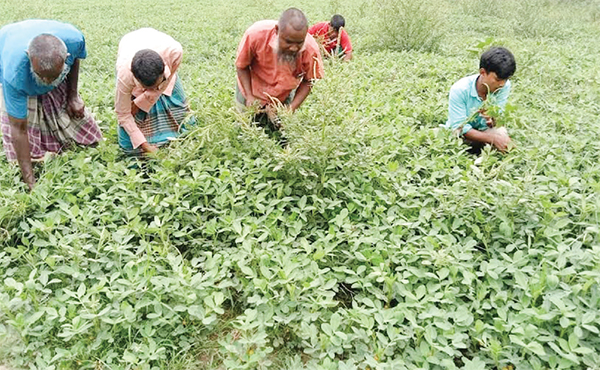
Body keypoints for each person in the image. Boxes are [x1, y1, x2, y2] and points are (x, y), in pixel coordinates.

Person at [0, 20, 103, 190]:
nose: (47, 82)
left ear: (66, 58)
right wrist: (31, 183)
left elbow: (76, 58)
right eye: (42, 77)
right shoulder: (14, 74)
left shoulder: (74, 40)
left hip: (49, 61)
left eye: (52, 77)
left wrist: (72, 95)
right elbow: (18, 128)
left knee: (70, 113)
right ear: (28, 57)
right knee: (24, 118)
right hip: (7, 47)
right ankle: (35, 155)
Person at [235, 7, 324, 132]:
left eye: (299, 43)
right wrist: (249, 96)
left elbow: (309, 81)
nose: (293, 48)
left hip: (282, 94)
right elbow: (241, 66)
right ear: (277, 31)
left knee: (280, 131)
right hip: (251, 88)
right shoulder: (256, 35)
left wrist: (290, 108)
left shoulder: (310, 49)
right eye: (288, 42)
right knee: (244, 128)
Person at [115, 28, 195, 156]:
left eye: (157, 85)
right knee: (130, 140)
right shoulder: (124, 75)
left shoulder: (174, 52)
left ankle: (180, 134)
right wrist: (145, 146)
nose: (154, 91)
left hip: (164, 61)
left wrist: (142, 101)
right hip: (130, 49)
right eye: (147, 88)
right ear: (137, 80)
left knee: (181, 112)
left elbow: (164, 84)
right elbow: (123, 115)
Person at [445, 47, 516, 154]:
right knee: (453, 139)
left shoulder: (503, 86)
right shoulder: (460, 89)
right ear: (483, 72)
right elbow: (459, 126)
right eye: (497, 79)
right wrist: (493, 139)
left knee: (503, 137)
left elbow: (498, 120)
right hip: (461, 133)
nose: (502, 84)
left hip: (484, 131)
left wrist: (492, 119)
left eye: (506, 80)